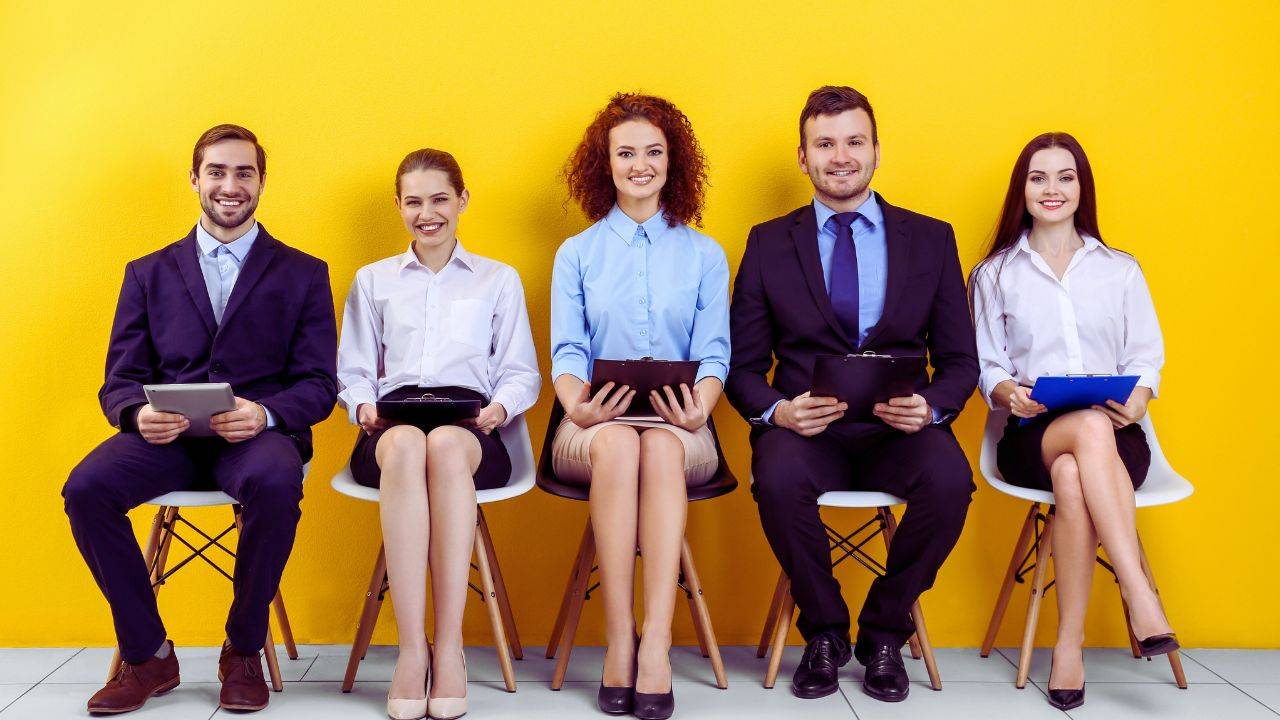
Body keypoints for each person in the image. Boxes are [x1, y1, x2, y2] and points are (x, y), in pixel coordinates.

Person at [62, 124, 338, 714]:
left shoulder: (304, 272)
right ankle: (147, 654)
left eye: (244, 172)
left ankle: (242, 648)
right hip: (170, 441)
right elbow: (119, 378)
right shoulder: (147, 271)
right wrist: (137, 415)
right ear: (195, 179)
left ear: (262, 181)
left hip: (255, 440)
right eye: (217, 171)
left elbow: (320, 385)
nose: (230, 185)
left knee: (272, 480)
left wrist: (265, 413)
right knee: (85, 489)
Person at [725, 86, 978, 703]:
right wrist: (778, 411)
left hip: (902, 430)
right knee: (778, 482)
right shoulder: (767, 243)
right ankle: (825, 632)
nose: (841, 156)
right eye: (825, 143)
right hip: (807, 431)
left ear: (876, 151)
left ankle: (885, 631)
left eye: (854, 141)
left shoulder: (932, 239)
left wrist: (933, 407)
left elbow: (959, 361)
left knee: (950, 484)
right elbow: (743, 367)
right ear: (803, 157)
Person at [969, 132, 1175, 711]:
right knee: (1083, 431)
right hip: (1032, 432)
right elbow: (989, 364)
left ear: (1082, 188)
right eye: (1039, 178)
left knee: (1072, 475)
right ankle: (1139, 595)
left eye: (1065, 177)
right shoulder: (994, 274)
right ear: (1023, 189)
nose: (1052, 189)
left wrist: (1140, 397)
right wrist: (1010, 392)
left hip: (1115, 437)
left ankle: (1067, 647)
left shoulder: (1120, 269)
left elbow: (1145, 356)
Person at [337, 148, 541, 720]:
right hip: (392, 423)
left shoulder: (497, 280)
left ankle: (448, 650)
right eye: (413, 202)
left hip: (472, 424)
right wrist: (361, 407)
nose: (427, 213)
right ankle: (410, 652)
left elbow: (521, 370)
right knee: (407, 445)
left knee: (446, 445)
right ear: (399, 207)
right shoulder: (373, 280)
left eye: (439, 199)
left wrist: (501, 408)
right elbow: (353, 368)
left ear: (462, 200)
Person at [550, 92, 730, 720]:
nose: (640, 165)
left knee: (655, 443)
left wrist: (700, 409)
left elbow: (714, 355)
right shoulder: (577, 253)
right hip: (591, 424)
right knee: (624, 441)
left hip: (684, 422)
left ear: (672, 163)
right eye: (626, 153)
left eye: (653, 152)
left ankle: (657, 638)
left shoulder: (705, 254)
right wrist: (577, 407)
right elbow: (568, 349)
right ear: (606, 164)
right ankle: (618, 637)